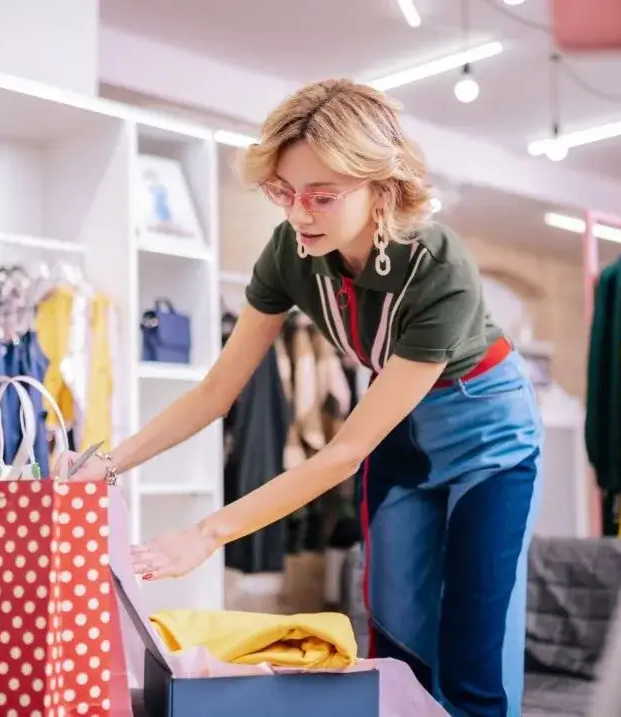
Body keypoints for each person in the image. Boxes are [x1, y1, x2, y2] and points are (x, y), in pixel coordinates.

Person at [59, 79, 543, 717]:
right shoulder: (291, 252)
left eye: (322, 196)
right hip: (401, 430)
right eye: (284, 192)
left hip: (488, 432)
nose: (298, 214)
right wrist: (107, 463)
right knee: (397, 627)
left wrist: (208, 532)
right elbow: (217, 390)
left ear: (382, 189)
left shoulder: (438, 270)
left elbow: (342, 454)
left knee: (474, 637)